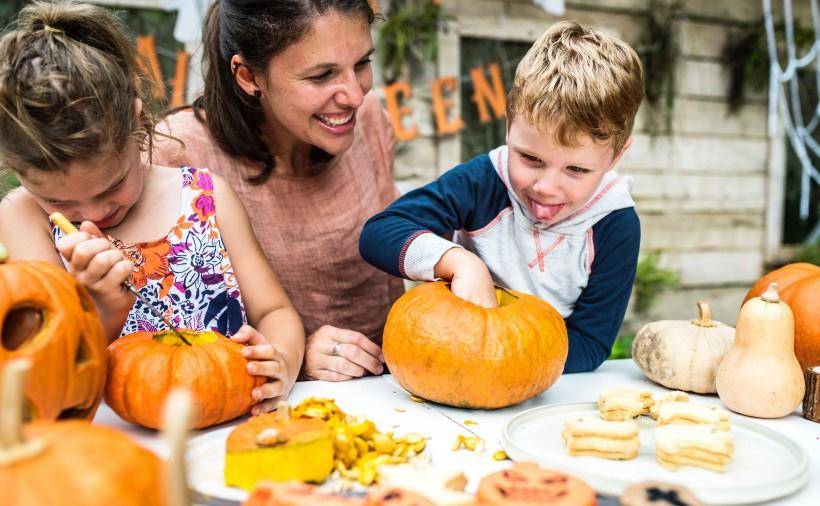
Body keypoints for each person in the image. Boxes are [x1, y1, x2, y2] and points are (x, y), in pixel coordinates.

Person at [0, 0, 303, 414]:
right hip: (110, 446)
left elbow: (274, 311)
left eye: (114, 184)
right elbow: (52, 373)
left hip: (229, 423)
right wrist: (101, 306)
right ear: (17, 172)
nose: (91, 214)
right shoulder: (22, 219)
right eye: (59, 201)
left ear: (138, 124)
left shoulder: (204, 198)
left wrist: (281, 361)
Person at [359, 21, 644, 373]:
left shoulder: (616, 224)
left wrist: (500, 361)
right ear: (509, 126)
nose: (546, 187)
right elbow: (380, 232)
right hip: (453, 359)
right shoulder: (484, 182)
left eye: (577, 170)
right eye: (531, 159)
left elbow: (590, 343)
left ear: (616, 156)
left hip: (539, 384)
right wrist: (460, 261)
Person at [153, 0, 402, 382]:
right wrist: (293, 353)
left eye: (362, 64)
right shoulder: (177, 155)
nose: (355, 95)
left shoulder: (369, 120)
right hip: (267, 409)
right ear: (249, 76)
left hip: (398, 393)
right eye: (322, 75)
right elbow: (160, 341)